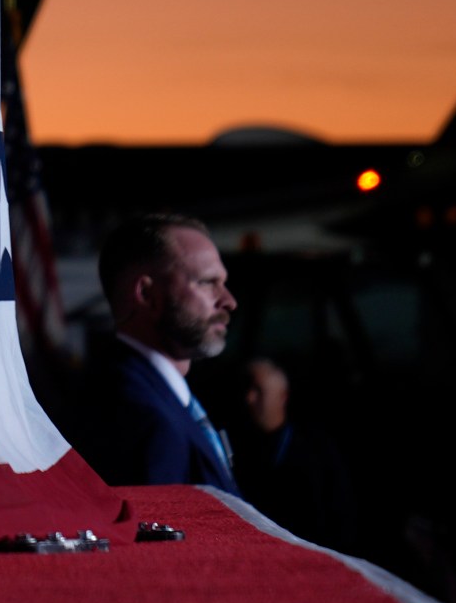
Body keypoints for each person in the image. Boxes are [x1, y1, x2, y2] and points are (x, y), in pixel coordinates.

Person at [70, 212, 241, 491]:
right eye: (207, 282)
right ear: (147, 294)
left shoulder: (157, 397)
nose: (229, 301)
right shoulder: (141, 415)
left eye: (223, 283)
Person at [232, 356, 354, 549]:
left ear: (283, 396)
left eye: (259, 391)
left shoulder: (315, 451)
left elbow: (337, 518)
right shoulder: (239, 445)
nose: (249, 398)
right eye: (246, 388)